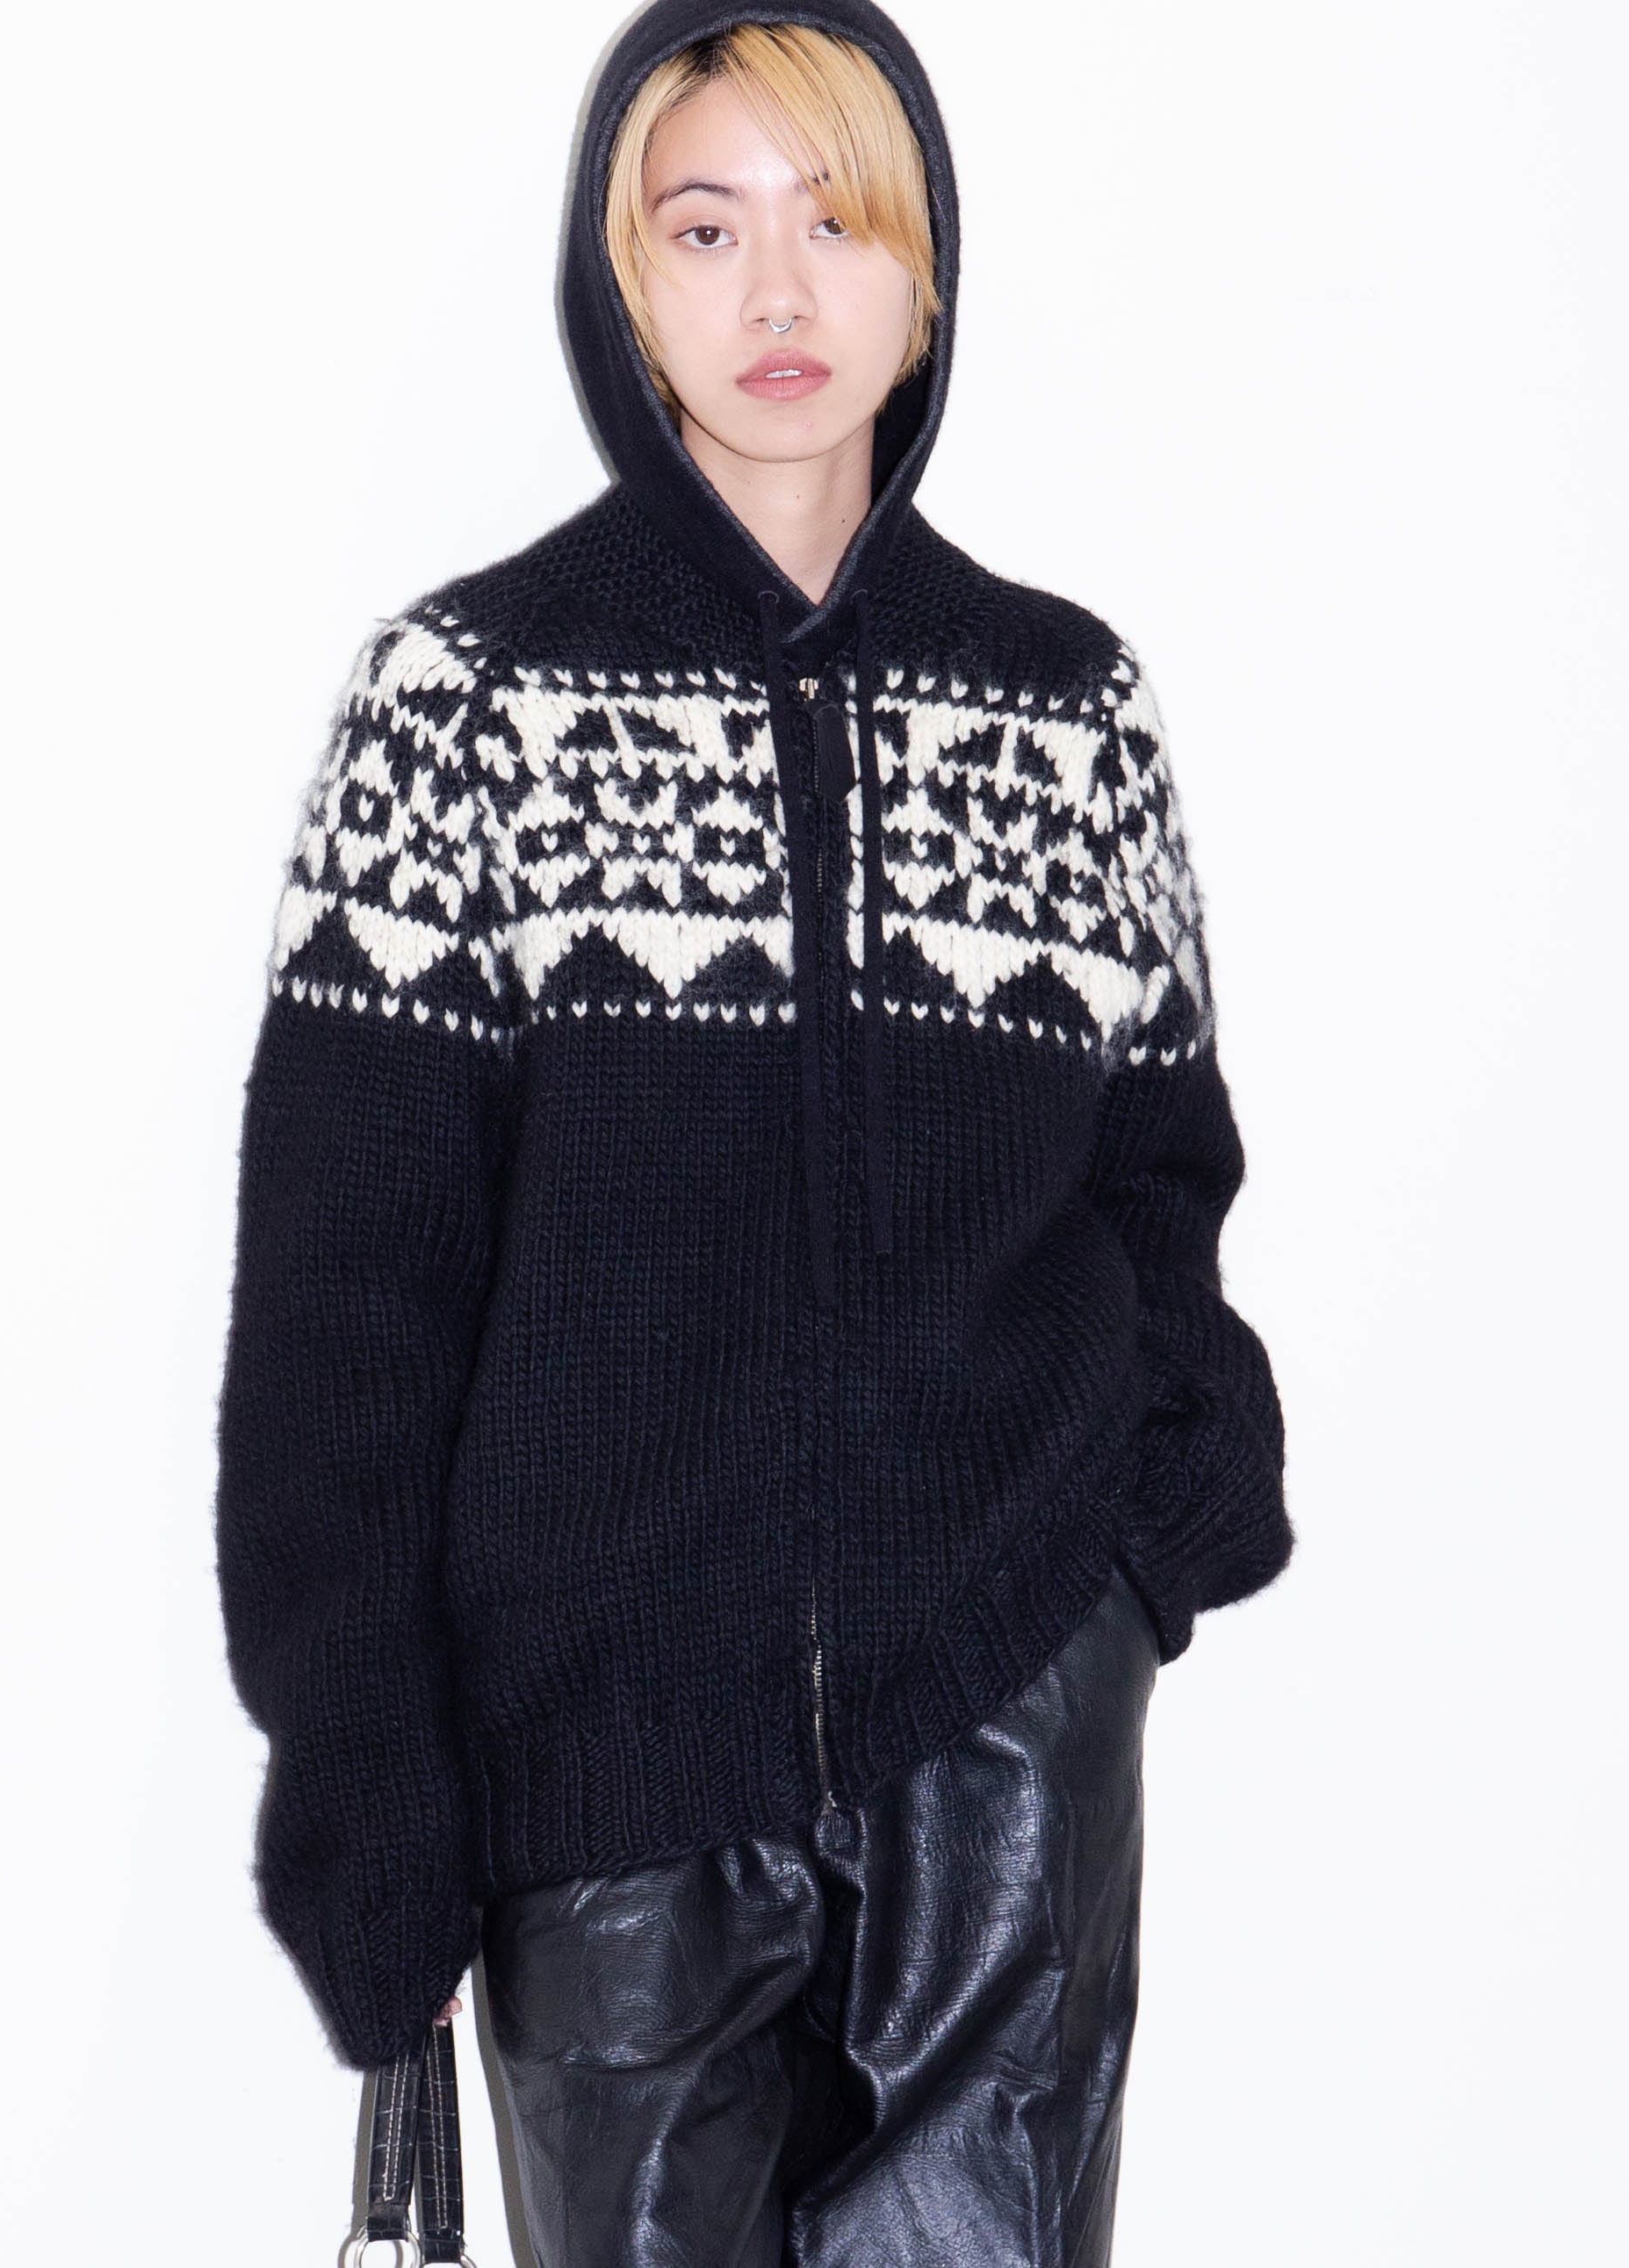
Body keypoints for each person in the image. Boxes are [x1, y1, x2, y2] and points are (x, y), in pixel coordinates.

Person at [213, 2, 1293, 2260]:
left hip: (1007, 1731)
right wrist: (367, 1784)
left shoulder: (1062, 707)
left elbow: (1156, 1173)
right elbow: (345, 1306)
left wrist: (1141, 1550)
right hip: (604, 1759)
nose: (777, 292)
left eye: (837, 223)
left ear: (925, 268)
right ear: (626, 277)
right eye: (706, 229)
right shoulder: (468, 703)